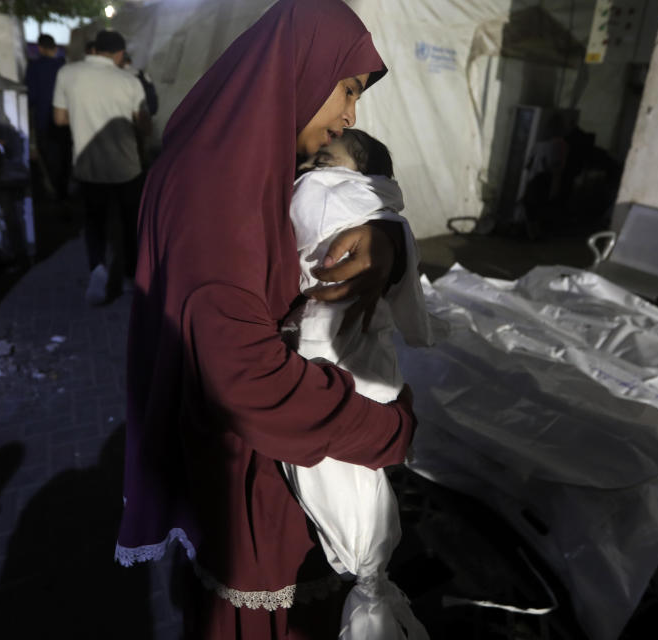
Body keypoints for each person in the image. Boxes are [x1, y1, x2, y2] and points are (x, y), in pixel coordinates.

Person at [113, 1, 417, 638]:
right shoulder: (215, 187)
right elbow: (246, 380)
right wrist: (386, 431)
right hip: (254, 483)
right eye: (348, 89)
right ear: (302, 67)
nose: (349, 116)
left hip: (242, 467)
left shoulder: (231, 164)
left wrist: (382, 237)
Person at [282, 129, 432, 639]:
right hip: (345, 378)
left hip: (339, 362)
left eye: (325, 161)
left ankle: (365, 566)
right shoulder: (382, 220)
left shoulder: (335, 194)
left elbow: (303, 216)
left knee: (341, 471)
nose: (311, 170)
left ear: (362, 178)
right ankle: (366, 568)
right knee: (350, 479)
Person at [53, 30, 149, 305]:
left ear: (95, 49)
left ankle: (97, 270)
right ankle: (131, 278)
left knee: (95, 224)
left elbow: (59, 119)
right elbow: (144, 125)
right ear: (119, 53)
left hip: (88, 165)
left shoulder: (67, 74)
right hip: (125, 166)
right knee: (131, 224)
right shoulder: (129, 80)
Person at [25, 34, 69, 199]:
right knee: (64, 155)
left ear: (40, 48)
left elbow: (31, 96)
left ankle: (55, 190)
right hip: (65, 120)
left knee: (50, 157)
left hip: (44, 119)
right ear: (55, 47)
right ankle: (64, 190)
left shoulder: (34, 67)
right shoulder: (63, 66)